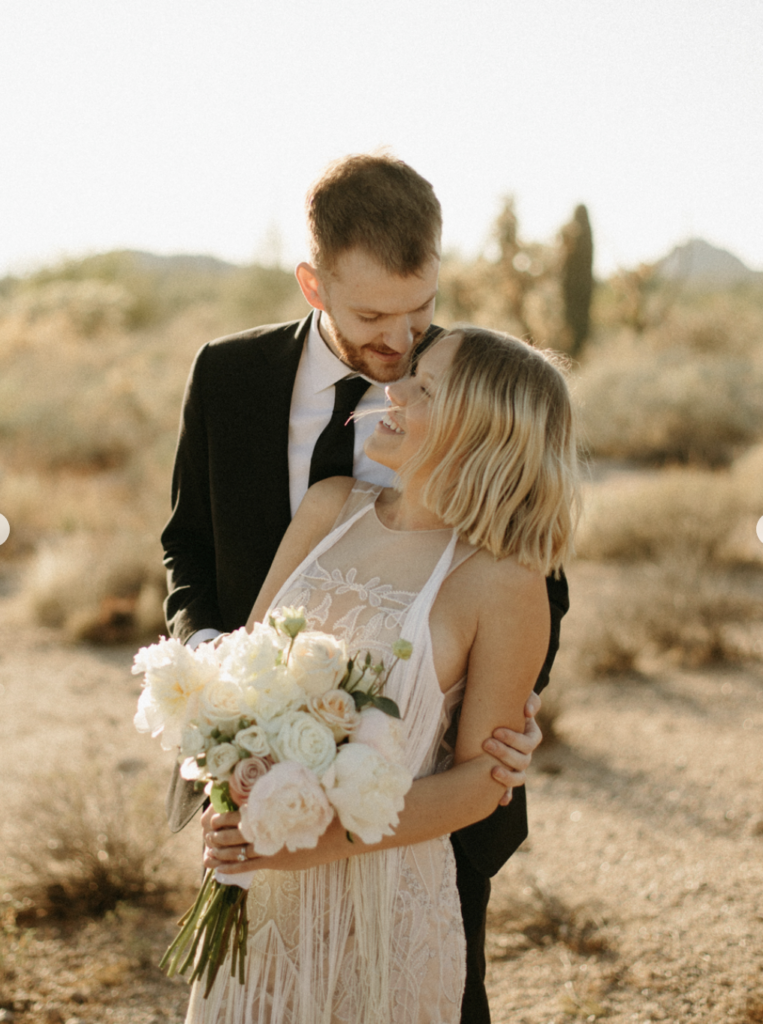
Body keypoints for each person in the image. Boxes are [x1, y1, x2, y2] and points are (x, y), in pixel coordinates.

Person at [161, 153, 570, 1023]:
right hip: (254, 794)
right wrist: (215, 697)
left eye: (420, 312)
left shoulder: (470, 380)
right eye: (374, 315)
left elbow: (527, 574)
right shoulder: (233, 383)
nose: (399, 344)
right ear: (313, 285)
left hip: (416, 817)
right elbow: (189, 546)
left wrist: (501, 709)